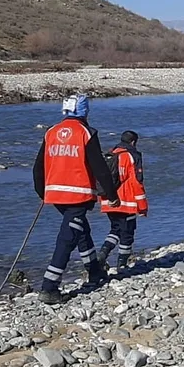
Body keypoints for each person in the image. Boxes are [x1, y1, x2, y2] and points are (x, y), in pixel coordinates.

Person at [32, 95, 120, 304]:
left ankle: (95, 271)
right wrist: (112, 195)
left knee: (81, 231)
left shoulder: (51, 132)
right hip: (77, 195)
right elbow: (100, 167)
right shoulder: (86, 133)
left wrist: (42, 192)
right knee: (68, 237)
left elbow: (38, 167)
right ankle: (49, 286)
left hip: (55, 194)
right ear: (84, 112)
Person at [97, 130, 148, 274]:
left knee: (115, 229)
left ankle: (103, 254)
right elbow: (136, 182)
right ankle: (122, 264)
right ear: (133, 142)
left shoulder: (110, 154)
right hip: (126, 202)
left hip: (108, 200)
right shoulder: (132, 156)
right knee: (127, 233)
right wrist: (142, 206)